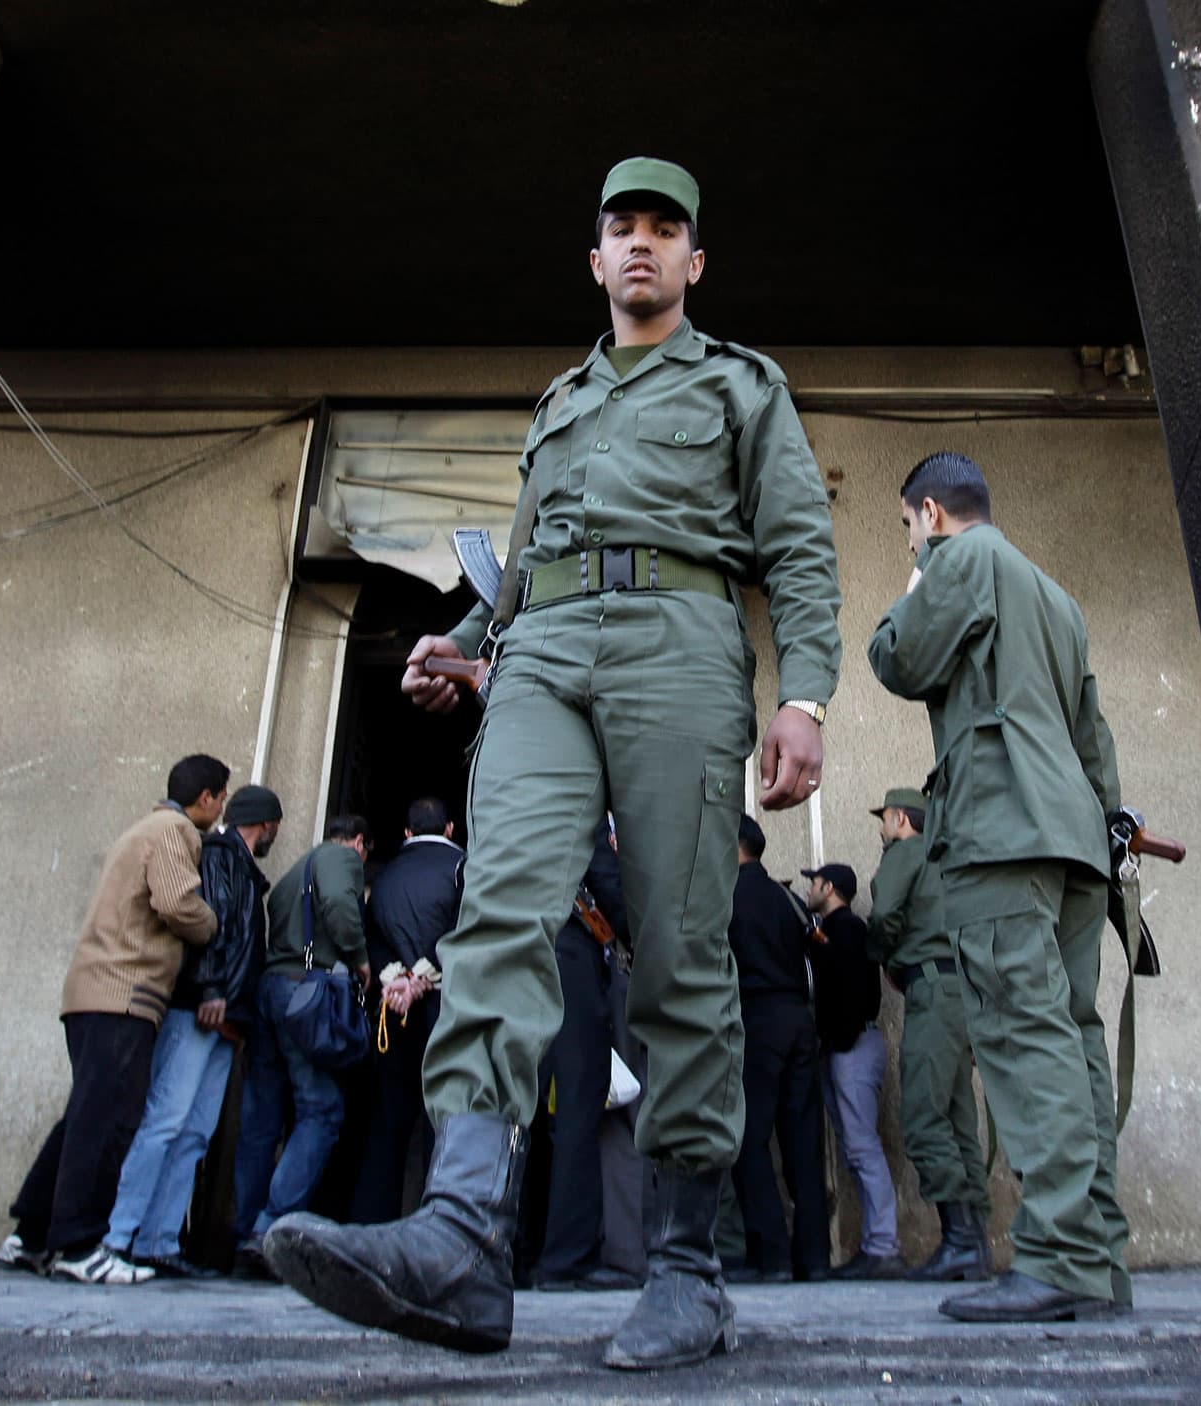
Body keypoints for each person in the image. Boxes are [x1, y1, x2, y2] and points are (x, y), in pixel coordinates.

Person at [264, 156, 840, 1371]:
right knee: (498, 912)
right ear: (594, 258)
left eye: (664, 228)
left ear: (693, 260)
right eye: (621, 227)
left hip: (680, 642)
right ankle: (463, 1238)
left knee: (680, 949)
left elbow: (797, 543)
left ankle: (685, 1269)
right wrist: (464, 642)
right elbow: (524, 562)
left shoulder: (740, 384)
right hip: (539, 657)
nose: (641, 243)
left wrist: (803, 696)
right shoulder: (560, 400)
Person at [867, 451, 1130, 1323]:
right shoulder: (1055, 596)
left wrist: (917, 577)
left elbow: (898, 658)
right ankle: (1098, 1259)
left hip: (1001, 830)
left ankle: (1058, 1258)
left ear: (931, 513)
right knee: (1073, 1038)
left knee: (1022, 1034)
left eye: (909, 527)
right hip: (1073, 841)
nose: (911, 542)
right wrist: (1105, 830)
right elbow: (1093, 737)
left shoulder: (964, 558)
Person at [0, 755, 224, 1286]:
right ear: (206, 798)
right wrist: (212, 923)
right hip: (125, 995)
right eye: (221, 798)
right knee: (111, 1121)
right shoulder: (174, 831)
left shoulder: (141, 829)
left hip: (92, 993)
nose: (221, 809)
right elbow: (177, 903)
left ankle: (30, 1235)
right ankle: (79, 1246)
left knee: (85, 1116)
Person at [102, 783, 283, 1277]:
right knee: (166, 1121)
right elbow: (211, 928)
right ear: (265, 823)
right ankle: (118, 1237)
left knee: (194, 1132)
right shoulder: (221, 858)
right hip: (202, 1009)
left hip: (224, 1018)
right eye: (274, 825)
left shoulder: (239, 865)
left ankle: (157, 1242)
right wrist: (211, 989)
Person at [866, 785, 992, 1282]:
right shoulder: (949, 860)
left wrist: (881, 956)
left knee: (922, 1117)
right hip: (963, 993)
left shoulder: (905, 853)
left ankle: (960, 1242)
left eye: (884, 819)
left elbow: (884, 914)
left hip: (932, 992)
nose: (882, 828)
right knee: (958, 1119)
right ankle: (975, 1244)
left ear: (900, 819)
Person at [238, 815, 374, 1260]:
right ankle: (270, 1228)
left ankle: (243, 1226)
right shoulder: (341, 858)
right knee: (322, 1110)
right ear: (358, 842)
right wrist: (360, 959)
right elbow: (337, 903)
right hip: (305, 993)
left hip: (270, 989)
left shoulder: (292, 874)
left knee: (262, 1117)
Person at [535, 821, 641, 1292]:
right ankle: (567, 1257)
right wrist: (646, 938)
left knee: (523, 1109)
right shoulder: (582, 806)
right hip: (569, 957)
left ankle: (518, 1250)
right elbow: (607, 881)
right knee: (579, 1108)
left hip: (521, 955)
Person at [726, 816, 831, 1283]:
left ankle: (770, 1256)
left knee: (748, 1140)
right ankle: (814, 1257)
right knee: (803, 1143)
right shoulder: (789, 899)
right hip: (799, 1021)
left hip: (756, 1020)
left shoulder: (724, 895)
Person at [354, 798, 460, 1225]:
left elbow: (370, 936)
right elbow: (463, 932)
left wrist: (395, 979)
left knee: (387, 1123)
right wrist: (422, 977)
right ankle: (439, 1222)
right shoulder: (463, 869)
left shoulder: (384, 877)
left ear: (407, 833)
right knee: (444, 1121)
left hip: (392, 1008)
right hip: (446, 1009)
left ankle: (372, 1223)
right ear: (450, 828)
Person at [800, 860, 900, 1279]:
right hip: (845, 1047)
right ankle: (877, 1244)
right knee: (855, 1147)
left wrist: (838, 1041)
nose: (809, 889)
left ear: (829, 888)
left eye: (814, 883)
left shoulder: (848, 930)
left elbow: (855, 992)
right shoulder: (832, 930)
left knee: (862, 1147)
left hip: (853, 1047)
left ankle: (884, 1246)